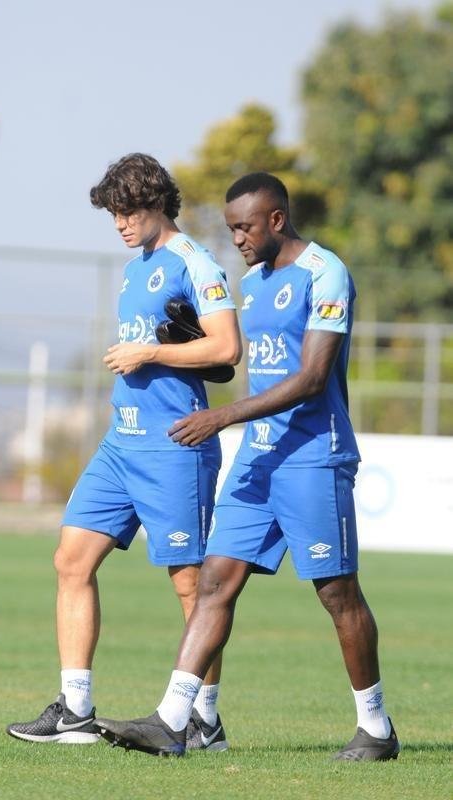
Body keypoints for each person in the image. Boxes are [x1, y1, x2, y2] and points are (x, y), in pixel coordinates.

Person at [94, 172, 400, 761]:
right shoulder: (254, 282)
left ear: (276, 220)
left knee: (337, 593)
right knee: (214, 581)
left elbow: (311, 379)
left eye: (244, 227)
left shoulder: (325, 273)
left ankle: (376, 728)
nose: (235, 238)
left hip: (313, 455)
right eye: (232, 227)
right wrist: (182, 350)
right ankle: (174, 719)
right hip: (259, 456)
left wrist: (222, 416)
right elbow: (239, 364)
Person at [6, 153, 242, 747]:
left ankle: (203, 718)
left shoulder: (195, 261)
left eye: (129, 210)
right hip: (121, 443)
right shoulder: (138, 268)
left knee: (193, 587)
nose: (120, 222)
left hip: (174, 446)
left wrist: (150, 353)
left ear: (158, 202)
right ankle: (75, 711)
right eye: (114, 213)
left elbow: (227, 347)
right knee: (71, 560)